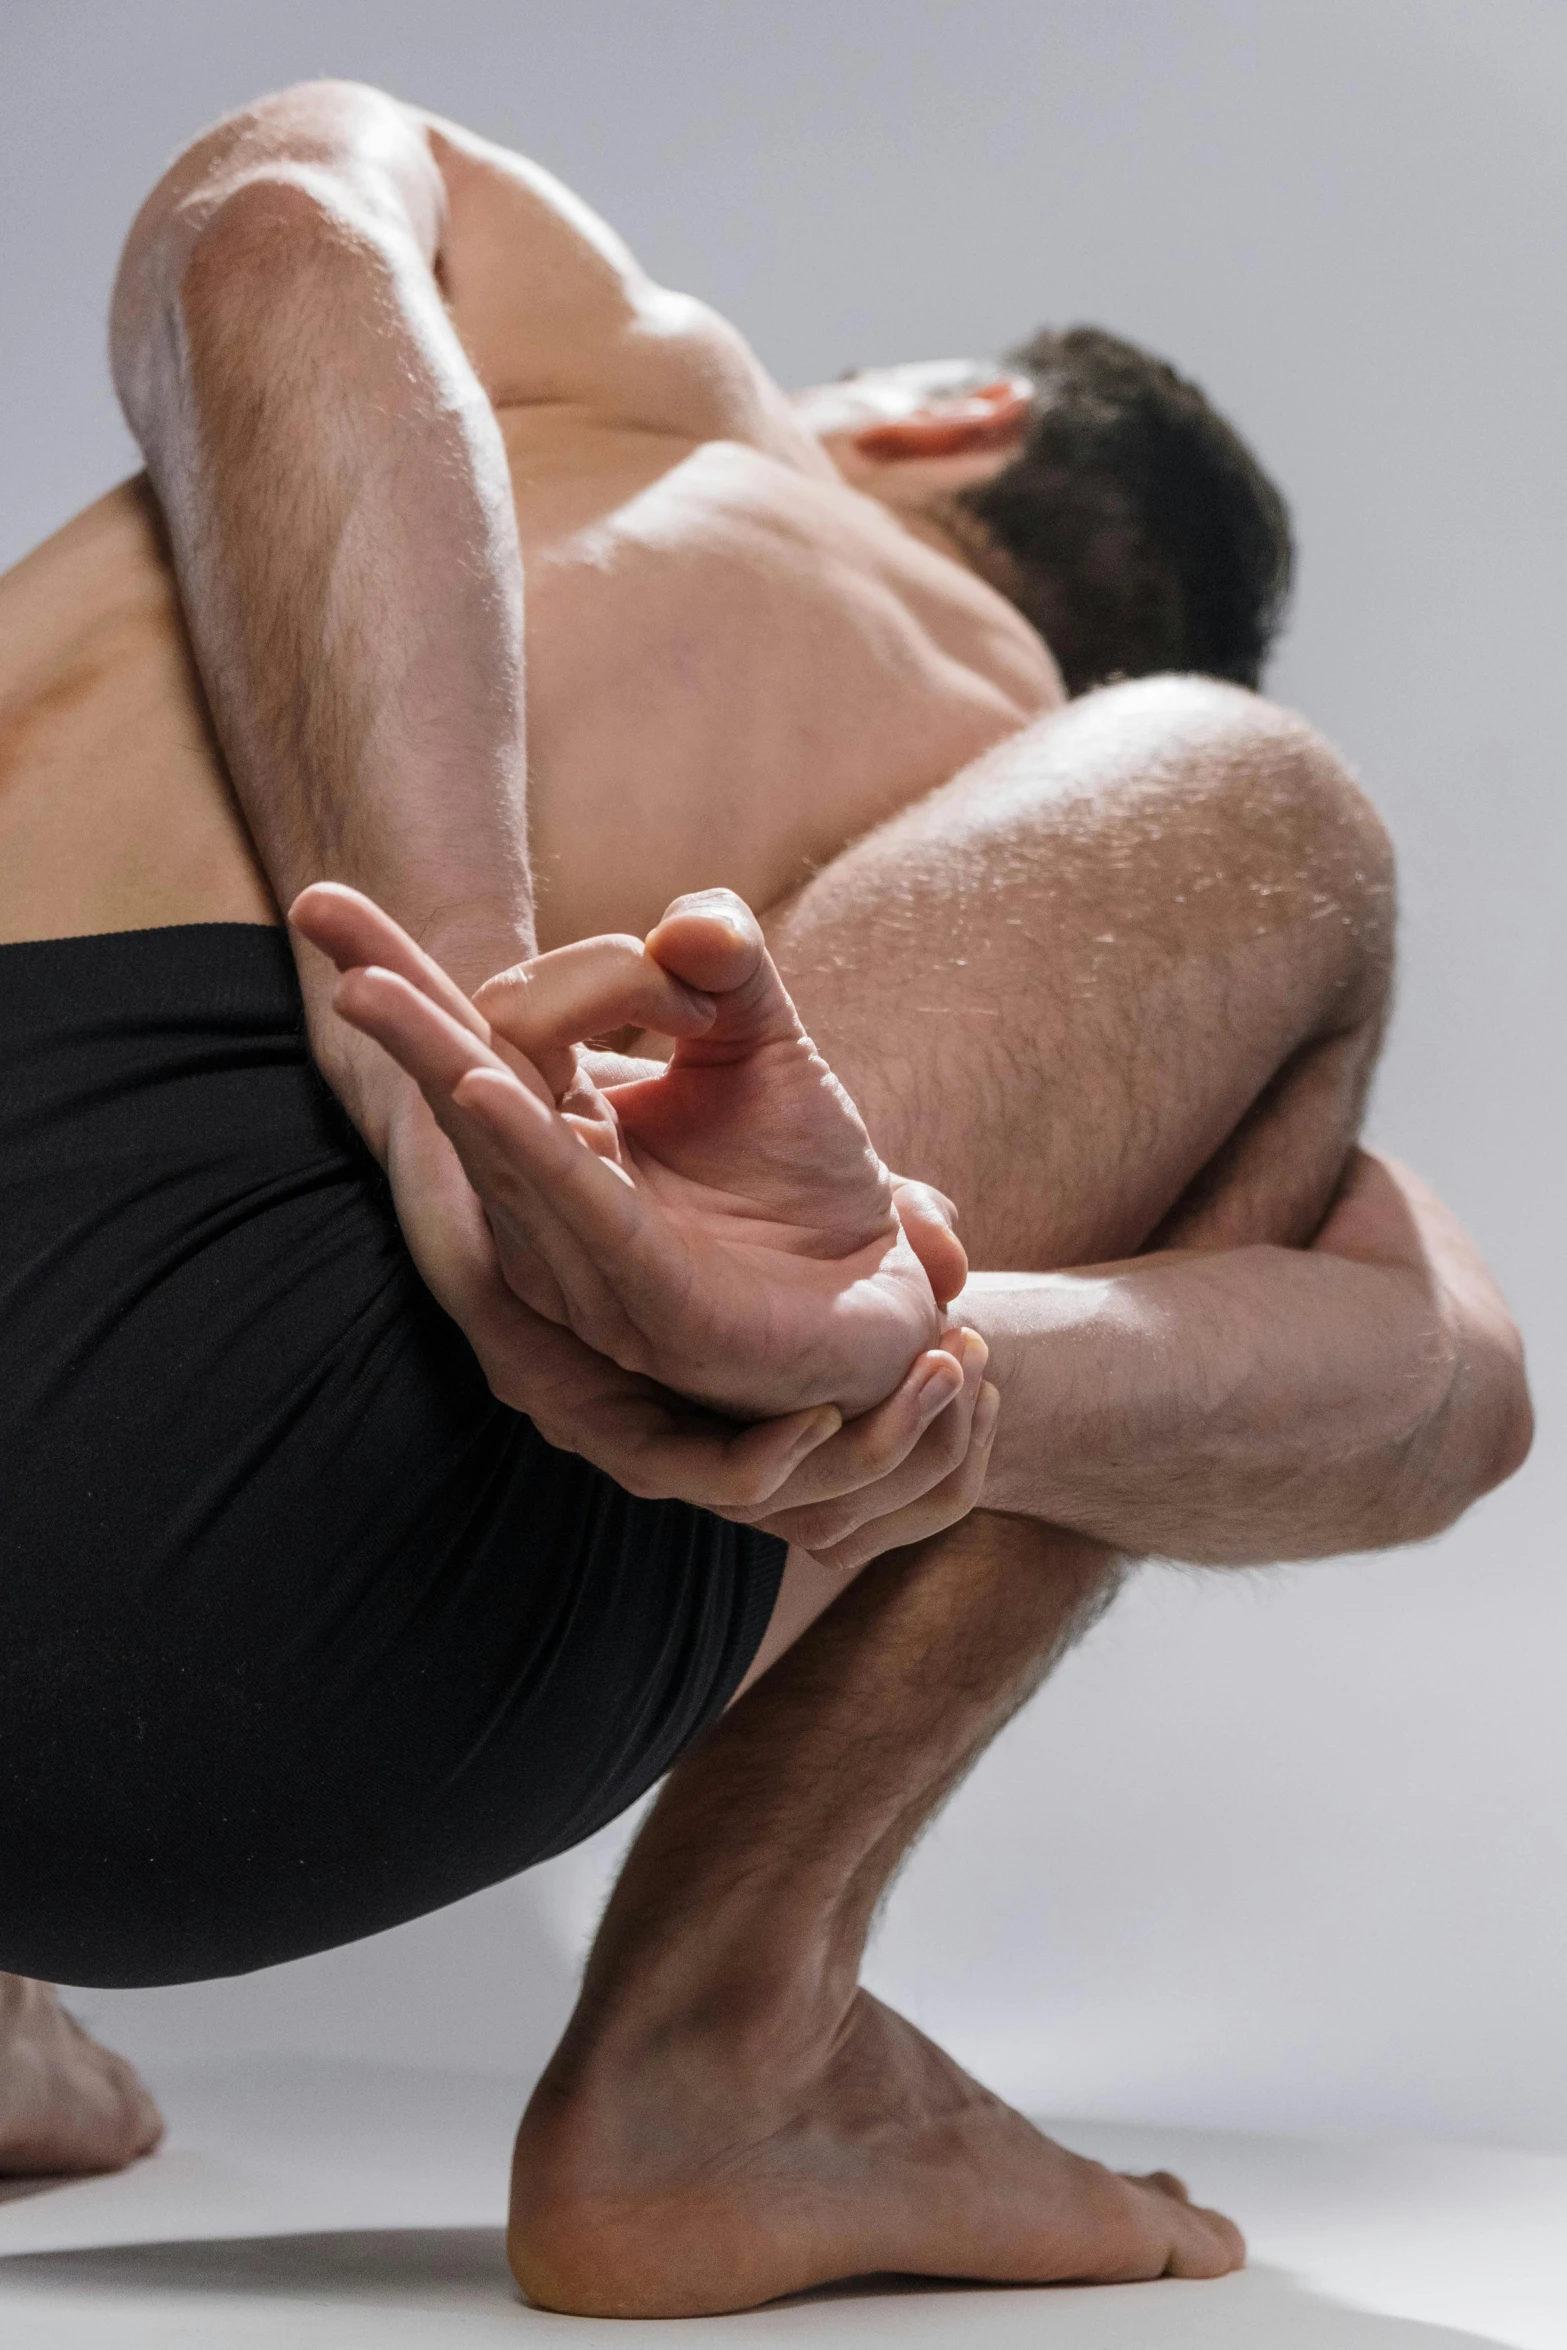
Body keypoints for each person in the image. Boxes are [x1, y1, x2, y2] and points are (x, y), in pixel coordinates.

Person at [0, 78, 1530, 2318]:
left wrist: (932, 1365)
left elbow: (267, 213)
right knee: (1274, 808)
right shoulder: (1059, 841)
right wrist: (456, 1046)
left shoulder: (637, 388)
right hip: (274, 1642)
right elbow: (1456, 1387)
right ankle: (732, 2031)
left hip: (215, 1446)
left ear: (940, 411)